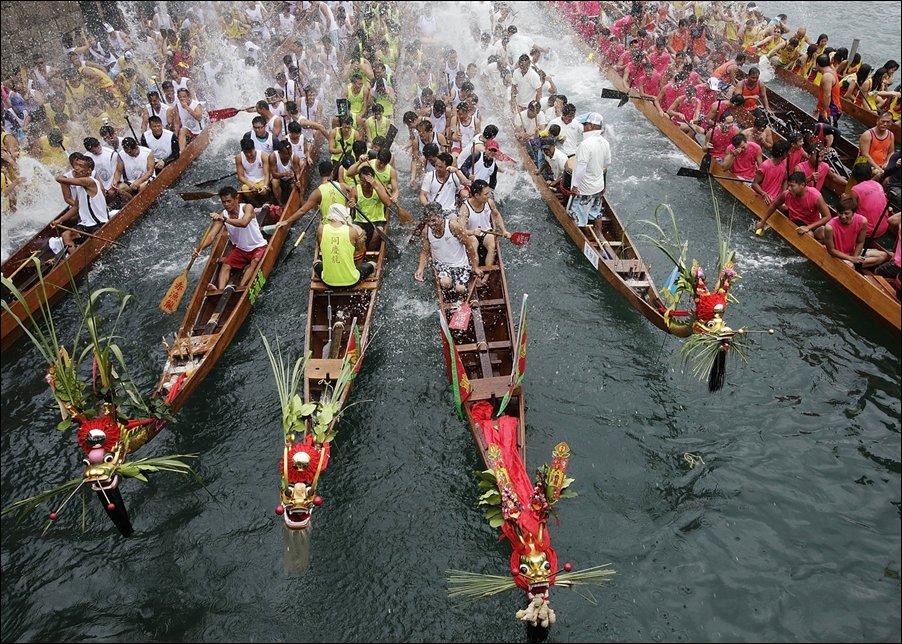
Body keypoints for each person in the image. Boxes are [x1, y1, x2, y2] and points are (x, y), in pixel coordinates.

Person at [194, 186, 268, 291]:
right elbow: (211, 236)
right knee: (225, 266)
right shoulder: (223, 215)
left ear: (236, 199)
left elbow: (243, 223)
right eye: (224, 202)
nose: (226, 204)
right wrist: (199, 249)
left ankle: (241, 288)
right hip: (241, 249)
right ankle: (219, 290)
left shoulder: (247, 208)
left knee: (255, 261)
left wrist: (224, 219)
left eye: (229, 201)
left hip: (258, 247)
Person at [414, 202, 482, 293]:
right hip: (443, 266)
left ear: (441, 216)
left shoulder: (454, 226)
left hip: (461, 265)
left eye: (433, 220)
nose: (431, 224)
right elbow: (424, 251)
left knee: (460, 289)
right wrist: (420, 269)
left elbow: (469, 246)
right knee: (445, 283)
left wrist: (475, 267)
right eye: (428, 221)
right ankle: (449, 291)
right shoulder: (426, 231)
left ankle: (458, 292)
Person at [52, 155, 110, 251]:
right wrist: (60, 220)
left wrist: (60, 176)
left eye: (81, 166)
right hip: (86, 225)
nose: (77, 168)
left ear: (89, 171)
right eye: (76, 165)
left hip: (98, 224)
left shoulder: (88, 181)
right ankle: (74, 259)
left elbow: (60, 179)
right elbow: (76, 207)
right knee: (66, 235)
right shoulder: (80, 185)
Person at [313, 203, 375, 288]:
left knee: (316, 262)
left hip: (328, 283)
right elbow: (359, 249)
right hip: (352, 282)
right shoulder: (352, 231)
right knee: (373, 264)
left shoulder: (320, 230)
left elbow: (321, 247)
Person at [568, 113, 611, 235]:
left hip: (585, 188)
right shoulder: (605, 142)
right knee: (596, 212)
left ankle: (586, 237)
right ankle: (599, 233)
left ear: (590, 126)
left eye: (585, 124)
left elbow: (581, 168)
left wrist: (575, 186)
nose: (583, 127)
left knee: (578, 218)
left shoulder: (585, 144)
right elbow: (607, 163)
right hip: (598, 186)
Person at [823, 193, 892, 269]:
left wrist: (855, 257)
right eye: (840, 213)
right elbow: (831, 250)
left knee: (883, 256)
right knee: (850, 266)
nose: (843, 216)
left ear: (853, 213)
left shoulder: (862, 221)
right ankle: (855, 266)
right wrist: (850, 259)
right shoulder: (829, 227)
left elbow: (860, 242)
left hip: (852, 253)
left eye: (846, 213)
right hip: (837, 255)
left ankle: (857, 265)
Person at [756, 171, 831, 239]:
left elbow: (827, 217)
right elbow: (774, 205)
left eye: (792, 186)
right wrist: (762, 222)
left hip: (812, 224)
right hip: (795, 220)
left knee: (824, 233)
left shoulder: (815, 196)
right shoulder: (786, 194)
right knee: (809, 236)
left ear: (802, 185)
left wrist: (808, 227)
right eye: (788, 185)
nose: (789, 188)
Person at [280, 161, 349, 227]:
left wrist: (287, 221)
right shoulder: (342, 186)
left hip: (328, 227)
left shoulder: (317, 193)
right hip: (344, 224)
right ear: (332, 172)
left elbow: (303, 211)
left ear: (319, 174)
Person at [459, 179, 510, 268]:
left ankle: (487, 274)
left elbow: (496, 215)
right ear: (477, 195)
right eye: (486, 194)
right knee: (473, 243)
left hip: (487, 232)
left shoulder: (489, 202)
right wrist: (473, 232)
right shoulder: (465, 208)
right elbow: (460, 230)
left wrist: (504, 230)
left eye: (488, 193)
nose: (488, 196)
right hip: (472, 234)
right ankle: (476, 272)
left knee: (492, 242)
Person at [347, 164, 391, 250]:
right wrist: (351, 203)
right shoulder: (355, 190)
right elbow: (352, 200)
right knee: (354, 233)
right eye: (362, 181)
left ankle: (369, 253)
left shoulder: (379, 187)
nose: (365, 184)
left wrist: (375, 186)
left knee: (378, 233)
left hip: (377, 221)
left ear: (372, 179)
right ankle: (361, 252)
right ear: (359, 180)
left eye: (367, 182)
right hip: (360, 221)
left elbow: (388, 203)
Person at [849, 163, 890, 237]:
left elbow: (851, 210)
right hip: (884, 228)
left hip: (868, 231)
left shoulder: (855, 190)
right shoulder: (878, 184)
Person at [858, 111, 895, 178]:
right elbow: (865, 155)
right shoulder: (867, 135)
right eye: (883, 121)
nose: (885, 124)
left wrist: (887, 163)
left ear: (891, 123)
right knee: (878, 173)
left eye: (888, 122)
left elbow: (891, 152)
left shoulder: (891, 135)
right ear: (878, 121)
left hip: (882, 165)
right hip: (865, 165)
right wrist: (877, 168)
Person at [752, 140, 790, 205]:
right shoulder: (765, 166)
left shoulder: (783, 163)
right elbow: (754, 184)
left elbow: (785, 178)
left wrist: (783, 193)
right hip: (762, 199)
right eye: (787, 152)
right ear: (784, 153)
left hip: (774, 200)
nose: (789, 153)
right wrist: (764, 194)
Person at [269, 139, 303, 206]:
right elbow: (274, 174)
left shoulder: (294, 158)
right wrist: (284, 174)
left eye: (290, 152)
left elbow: (297, 173)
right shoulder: (273, 157)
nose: (289, 155)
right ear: (279, 152)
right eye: (286, 154)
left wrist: (297, 181)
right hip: (279, 179)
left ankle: (292, 203)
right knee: (274, 182)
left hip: (290, 180)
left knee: (294, 185)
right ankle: (280, 203)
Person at [815, 54, 842, 126]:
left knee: (828, 134)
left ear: (817, 64)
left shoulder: (827, 76)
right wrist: (818, 107)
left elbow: (827, 95)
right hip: (828, 109)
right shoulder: (831, 71)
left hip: (831, 111)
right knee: (821, 131)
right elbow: (823, 94)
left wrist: (824, 111)